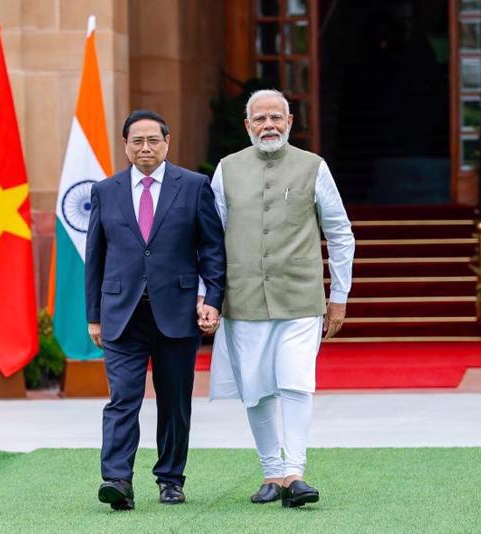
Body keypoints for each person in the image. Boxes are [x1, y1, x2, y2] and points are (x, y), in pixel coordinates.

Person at [209, 89, 355, 507]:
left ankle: (296, 472)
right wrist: (209, 296)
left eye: (277, 117)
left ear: (290, 122)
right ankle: (271, 473)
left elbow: (340, 233)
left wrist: (339, 295)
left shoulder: (314, 167)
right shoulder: (227, 169)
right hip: (244, 299)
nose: (269, 125)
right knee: (255, 390)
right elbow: (210, 239)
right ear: (248, 126)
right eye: (260, 119)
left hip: (300, 297)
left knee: (295, 383)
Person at [85, 110, 225, 509]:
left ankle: (170, 479)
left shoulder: (194, 186)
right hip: (121, 314)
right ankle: (116, 480)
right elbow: (94, 255)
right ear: (125, 145)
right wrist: (93, 314)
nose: (145, 148)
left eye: (153, 141)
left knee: (175, 401)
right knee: (122, 399)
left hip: (177, 313)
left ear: (167, 143)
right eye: (137, 141)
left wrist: (212, 299)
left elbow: (212, 249)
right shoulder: (105, 190)